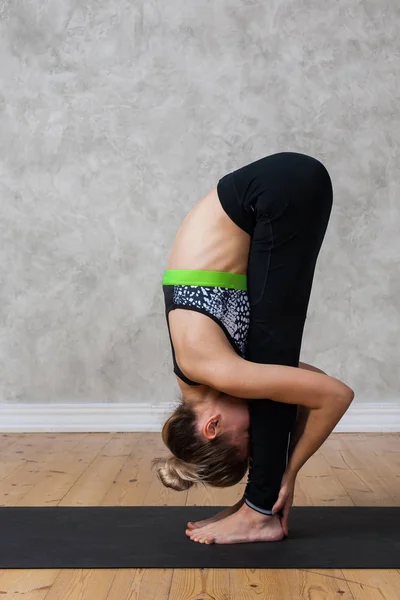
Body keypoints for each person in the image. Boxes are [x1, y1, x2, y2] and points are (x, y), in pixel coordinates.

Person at [152, 152, 354, 544]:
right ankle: (256, 506)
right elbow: (314, 385)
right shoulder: (211, 370)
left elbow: (336, 396)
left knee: (269, 377)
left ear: (212, 426)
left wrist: (287, 473)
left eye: (249, 441)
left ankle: (259, 511)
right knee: (272, 378)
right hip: (282, 188)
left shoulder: (214, 367)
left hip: (277, 192)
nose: (256, 434)